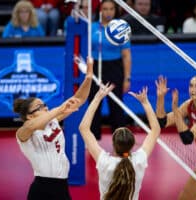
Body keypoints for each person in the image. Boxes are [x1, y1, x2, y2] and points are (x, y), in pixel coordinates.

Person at [13, 57, 93, 200]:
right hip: (42, 188)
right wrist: (59, 109)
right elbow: (31, 126)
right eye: (40, 107)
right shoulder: (24, 132)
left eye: (44, 104)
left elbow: (78, 100)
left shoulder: (53, 121)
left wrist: (88, 78)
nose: (46, 107)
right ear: (29, 116)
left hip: (62, 185)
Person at [79, 84, 160, 200]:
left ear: (113, 144)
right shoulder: (138, 160)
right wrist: (145, 103)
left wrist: (97, 99)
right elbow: (155, 130)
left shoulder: (104, 162)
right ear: (132, 145)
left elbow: (84, 128)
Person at [88, 0, 132, 140]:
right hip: (95, 68)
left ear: (116, 10)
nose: (108, 12)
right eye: (105, 9)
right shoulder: (92, 27)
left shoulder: (121, 27)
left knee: (116, 106)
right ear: (100, 10)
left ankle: (120, 140)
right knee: (94, 105)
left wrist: (127, 78)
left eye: (111, 9)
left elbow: (126, 55)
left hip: (115, 68)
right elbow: (85, 51)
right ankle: (93, 139)